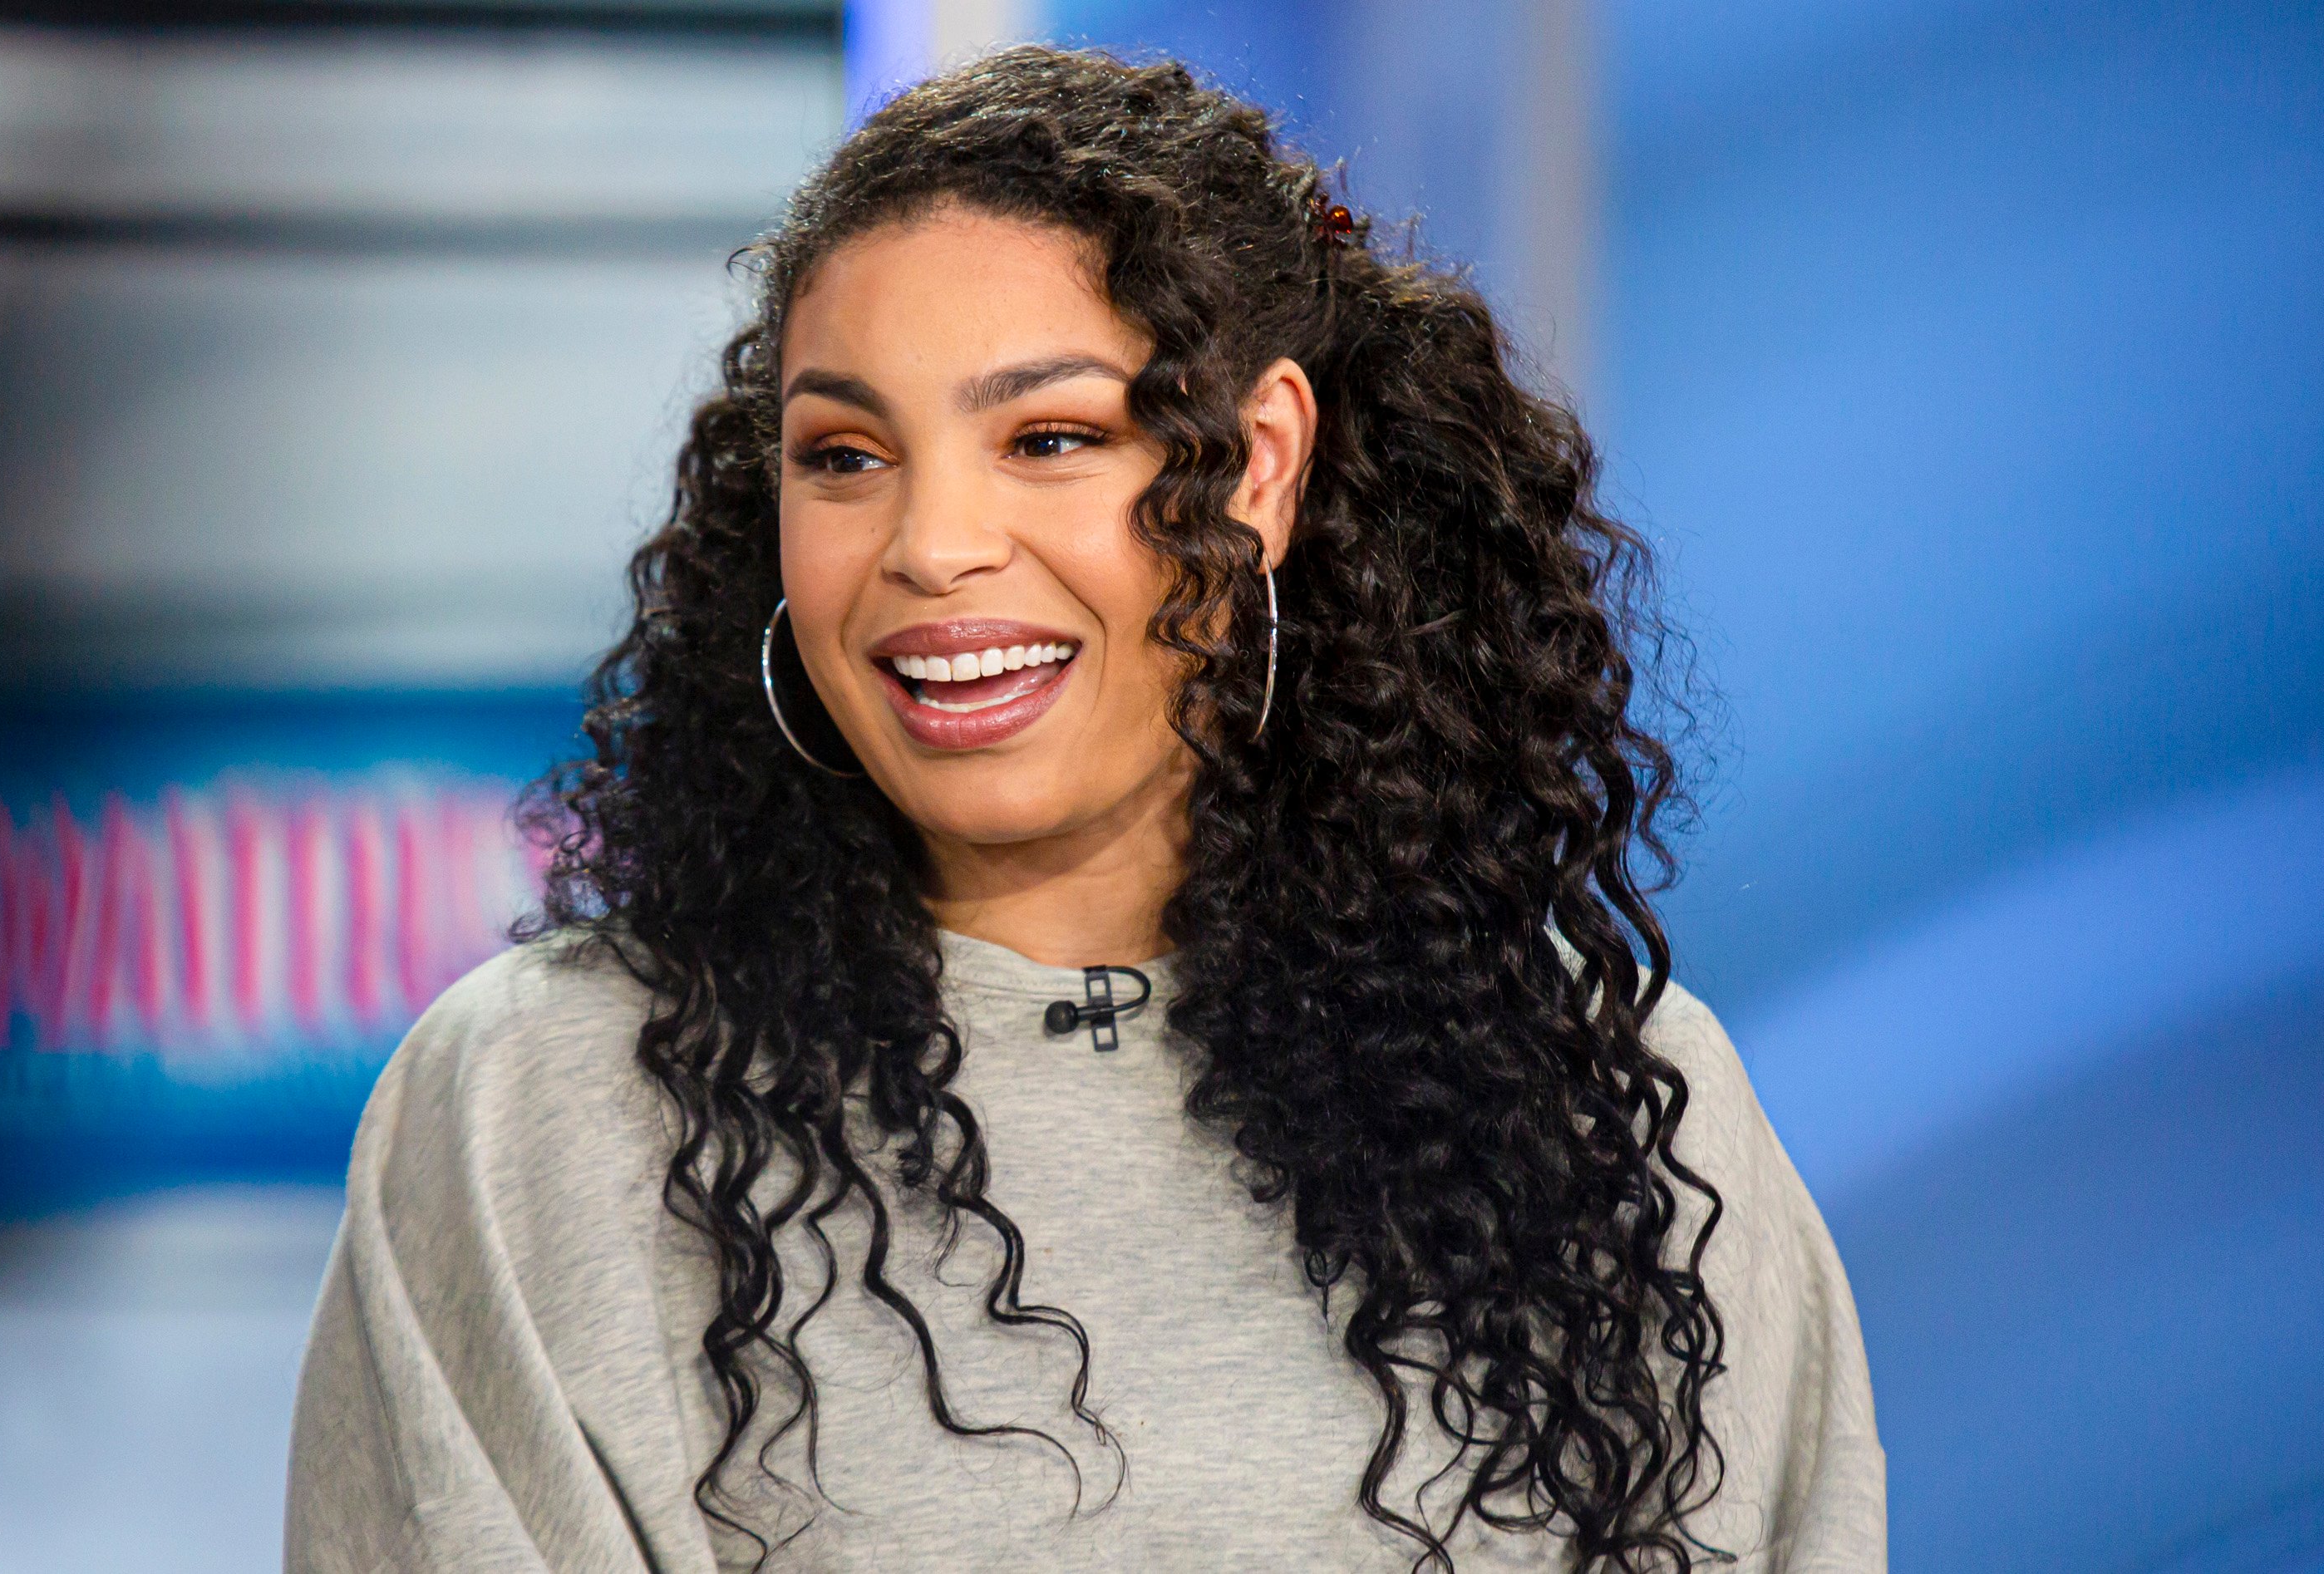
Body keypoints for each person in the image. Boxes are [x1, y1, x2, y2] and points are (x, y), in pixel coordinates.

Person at [285, 47, 1883, 1574]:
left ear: (1258, 466)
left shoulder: (1623, 1106)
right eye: (844, 456)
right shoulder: (545, 1112)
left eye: (1048, 438)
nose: (930, 546)